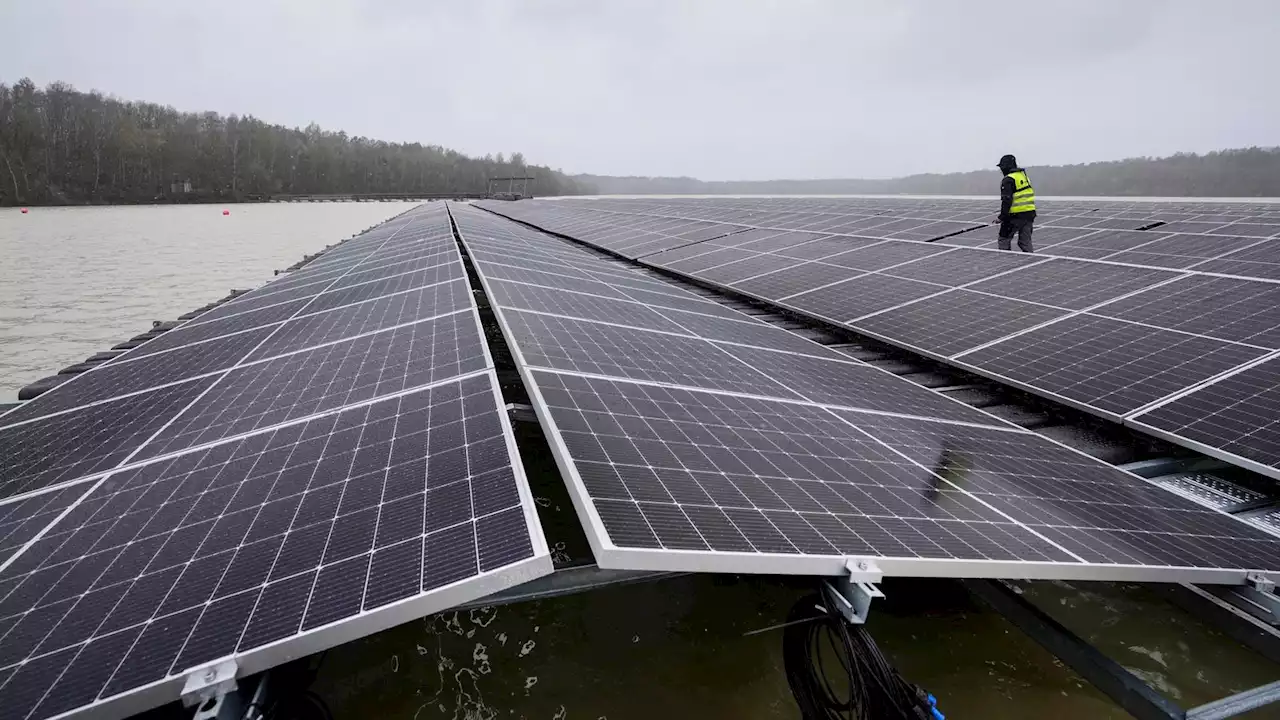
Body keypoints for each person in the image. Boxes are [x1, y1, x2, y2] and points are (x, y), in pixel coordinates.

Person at [996, 154, 1036, 252]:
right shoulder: (1023, 176)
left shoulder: (1008, 180)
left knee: (1004, 240)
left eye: (1002, 167)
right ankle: (1032, 261)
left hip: (1014, 217)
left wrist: (1001, 217)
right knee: (1025, 242)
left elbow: (1007, 200)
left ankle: (1005, 260)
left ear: (1006, 167)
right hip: (1029, 214)